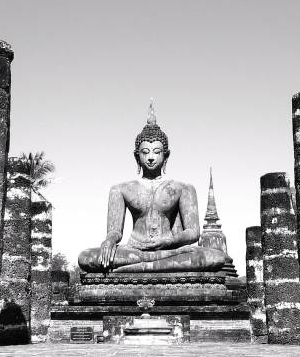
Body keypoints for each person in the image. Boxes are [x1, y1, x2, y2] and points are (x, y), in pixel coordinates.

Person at [77, 103, 226, 273]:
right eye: (145, 152)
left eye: (156, 151)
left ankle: (136, 267)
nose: (150, 157)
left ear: (166, 155)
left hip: (170, 249)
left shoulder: (183, 188)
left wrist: (169, 242)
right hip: (134, 250)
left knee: (215, 257)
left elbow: (193, 232)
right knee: (87, 257)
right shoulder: (120, 189)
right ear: (136, 156)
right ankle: (152, 264)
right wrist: (109, 241)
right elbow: (115, 231)